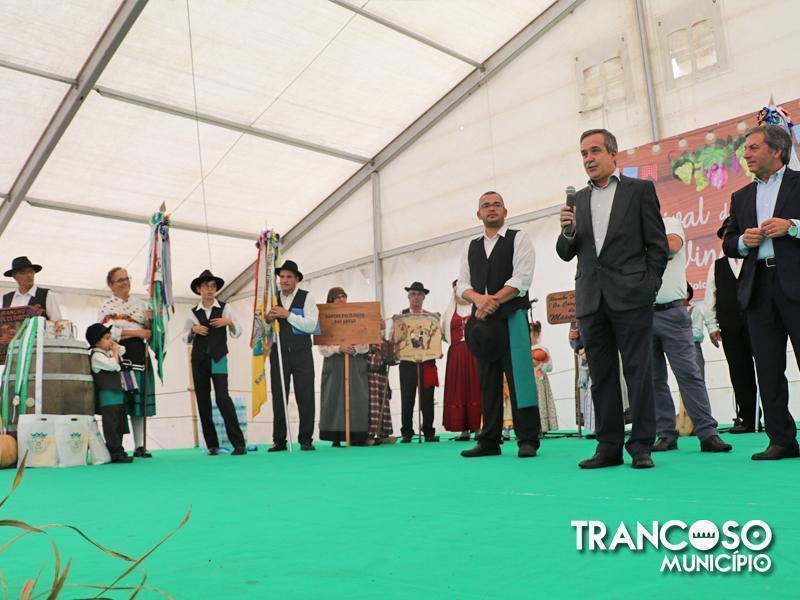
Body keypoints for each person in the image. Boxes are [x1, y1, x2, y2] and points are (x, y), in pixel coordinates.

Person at [556, 128, 669, 469]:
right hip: (591, 300)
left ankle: (641, 446)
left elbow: (657, 245)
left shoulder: (639, 191)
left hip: (632, 297)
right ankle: (608, 446)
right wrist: (567, 231)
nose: (588, 159)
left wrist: (648, 286)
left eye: (595, 151)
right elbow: (565, 252)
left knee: (639, 373)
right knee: (601, 376)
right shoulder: (578, 201)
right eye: (583, 154)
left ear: (613, 155)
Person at [723, 124, 800, 460]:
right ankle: (781, 440)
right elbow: (728, 242)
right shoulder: (741, 197)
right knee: (768, 367)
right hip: (758, 288)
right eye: (745, 149)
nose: (746, 155)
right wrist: (743, 241)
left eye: (753, 148)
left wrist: (793, 227)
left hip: (796, 282)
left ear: (776, 150)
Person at [457, 191, 542, 459]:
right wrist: (479, 300)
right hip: (482, 324)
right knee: (487, 381)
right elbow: (462, 285)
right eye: (486, 206)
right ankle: (489, 440)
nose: (491, 209)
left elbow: (522, 278)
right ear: (478, 214)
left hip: (512, 317)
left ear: (505, 211)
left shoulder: (519, 238)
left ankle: (527, 439)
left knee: (520, 379)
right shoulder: (470, 246)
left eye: (496, 205)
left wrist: (492, 300)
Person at [649, 217, 731, 453]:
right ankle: (665, 434)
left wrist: (639, 246)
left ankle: (707, 433)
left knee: (688, 374)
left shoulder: (669, 222)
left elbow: (672, 245)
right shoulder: (631, 229)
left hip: (672, 311)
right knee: (653, 379)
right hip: (641, 314)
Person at [182, 270, 246, 456]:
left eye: (213, 286)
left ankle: (239, 444)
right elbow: (185, 337)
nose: (210, 289)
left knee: (222, 397)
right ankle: (212, 445)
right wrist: (192, 330)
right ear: (198, 289)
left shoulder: (225, 308)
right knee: (202, 400)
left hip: (219, 358)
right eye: (206, 286)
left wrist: (229, 322)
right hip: (199, 360)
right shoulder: (192, 312)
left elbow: (238, 331)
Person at [704, 217, 758, 433]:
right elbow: (710, 297)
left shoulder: (755, 259)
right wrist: (712, 326)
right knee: (738, 371)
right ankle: (747, 418)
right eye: (726, 236)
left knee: (767, 370)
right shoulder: (716, 266)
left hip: (757, 323)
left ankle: (772, 418)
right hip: (730, 327)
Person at [98, 267, 155, 458]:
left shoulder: (141, 304)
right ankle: (117, 447)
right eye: (120, 280)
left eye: (126, 278)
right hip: (117, 356)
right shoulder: (106, 306)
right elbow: (105, 333)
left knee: (138, 403)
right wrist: (137, 332)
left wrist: (151, 321)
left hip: (139, 355)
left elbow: (150, 332)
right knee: (118, 403)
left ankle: (140, 445)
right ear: (110, 284)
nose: (125, 282)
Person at [267, 260, 319, 452]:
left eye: (289, 277)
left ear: (297, 279)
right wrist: (268, 319)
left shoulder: (307, 297)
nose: (284, 280)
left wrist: (287, 315)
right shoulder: (272, 298)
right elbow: (263, 327)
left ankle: (306, 439)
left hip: (302, 353)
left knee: (305, 396)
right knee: (279, 396)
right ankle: (279, 440)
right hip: (278, 353)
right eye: (282, 277)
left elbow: (311, 326)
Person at [318, 287, 370, 446]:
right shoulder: (325, 320)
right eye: (337, 297)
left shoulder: (357, 317)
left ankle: (357, 434)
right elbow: (322, 347)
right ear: (331, 300)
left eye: (343, 296)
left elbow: (366, 343)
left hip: (354, 362)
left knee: (357, 395)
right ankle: (335, 434)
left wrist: (355, 348)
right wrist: (338, 348)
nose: (341, 299)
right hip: (334, 363)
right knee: (334, 395)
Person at [394, 282, 440, 443]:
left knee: (427, 398)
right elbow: (394, 338)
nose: (416, 297)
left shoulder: (431, 317)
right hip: (407, 361)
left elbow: (436, 338)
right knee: (407, 397)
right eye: (413, 294)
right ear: (408, 296)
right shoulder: (400, 316)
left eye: (419, 294)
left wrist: (436, 351)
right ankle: (407, 432)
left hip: (427, 361)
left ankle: (428, 431)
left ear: (424, 297)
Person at [441, 280, 482, 441]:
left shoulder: (476, 307)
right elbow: (443, 333)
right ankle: (463, 429)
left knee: (475, 388)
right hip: (457, 354)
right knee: (459, 389)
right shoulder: (449, 311)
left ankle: (478, 427)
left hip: (475, 353)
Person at [87, 323, 132, 463]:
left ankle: (119, 449)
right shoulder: (96, 356)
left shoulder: (107, 353)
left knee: (120, 424)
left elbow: (122, 350)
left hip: (118, 394)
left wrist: (114, 347)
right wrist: (115, 352)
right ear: (96, 342)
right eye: (107, 338)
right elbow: (113, 365)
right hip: (108, 396)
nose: (110, 341)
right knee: (111, 425)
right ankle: (114, 450)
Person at [366, 321, 395, 444]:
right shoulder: (368, 338)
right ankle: (370, 434)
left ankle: (383, 433)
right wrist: (380, 360)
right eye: (379, 318)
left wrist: (390, 357)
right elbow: (368, 357)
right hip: (372, 374)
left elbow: (390, 355)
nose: (382, 321)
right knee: (373, 405)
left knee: (384, 402)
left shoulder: (383, 339)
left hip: (382, 374)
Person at [530, 321, 558, 432]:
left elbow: (550, 366)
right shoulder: (523, 349)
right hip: (528, 381)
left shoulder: (542, 349)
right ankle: (532, 427)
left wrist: (540, 365)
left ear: (537, 334)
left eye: (530, 332)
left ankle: (543, 426)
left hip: (540, 380)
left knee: (541, 401)